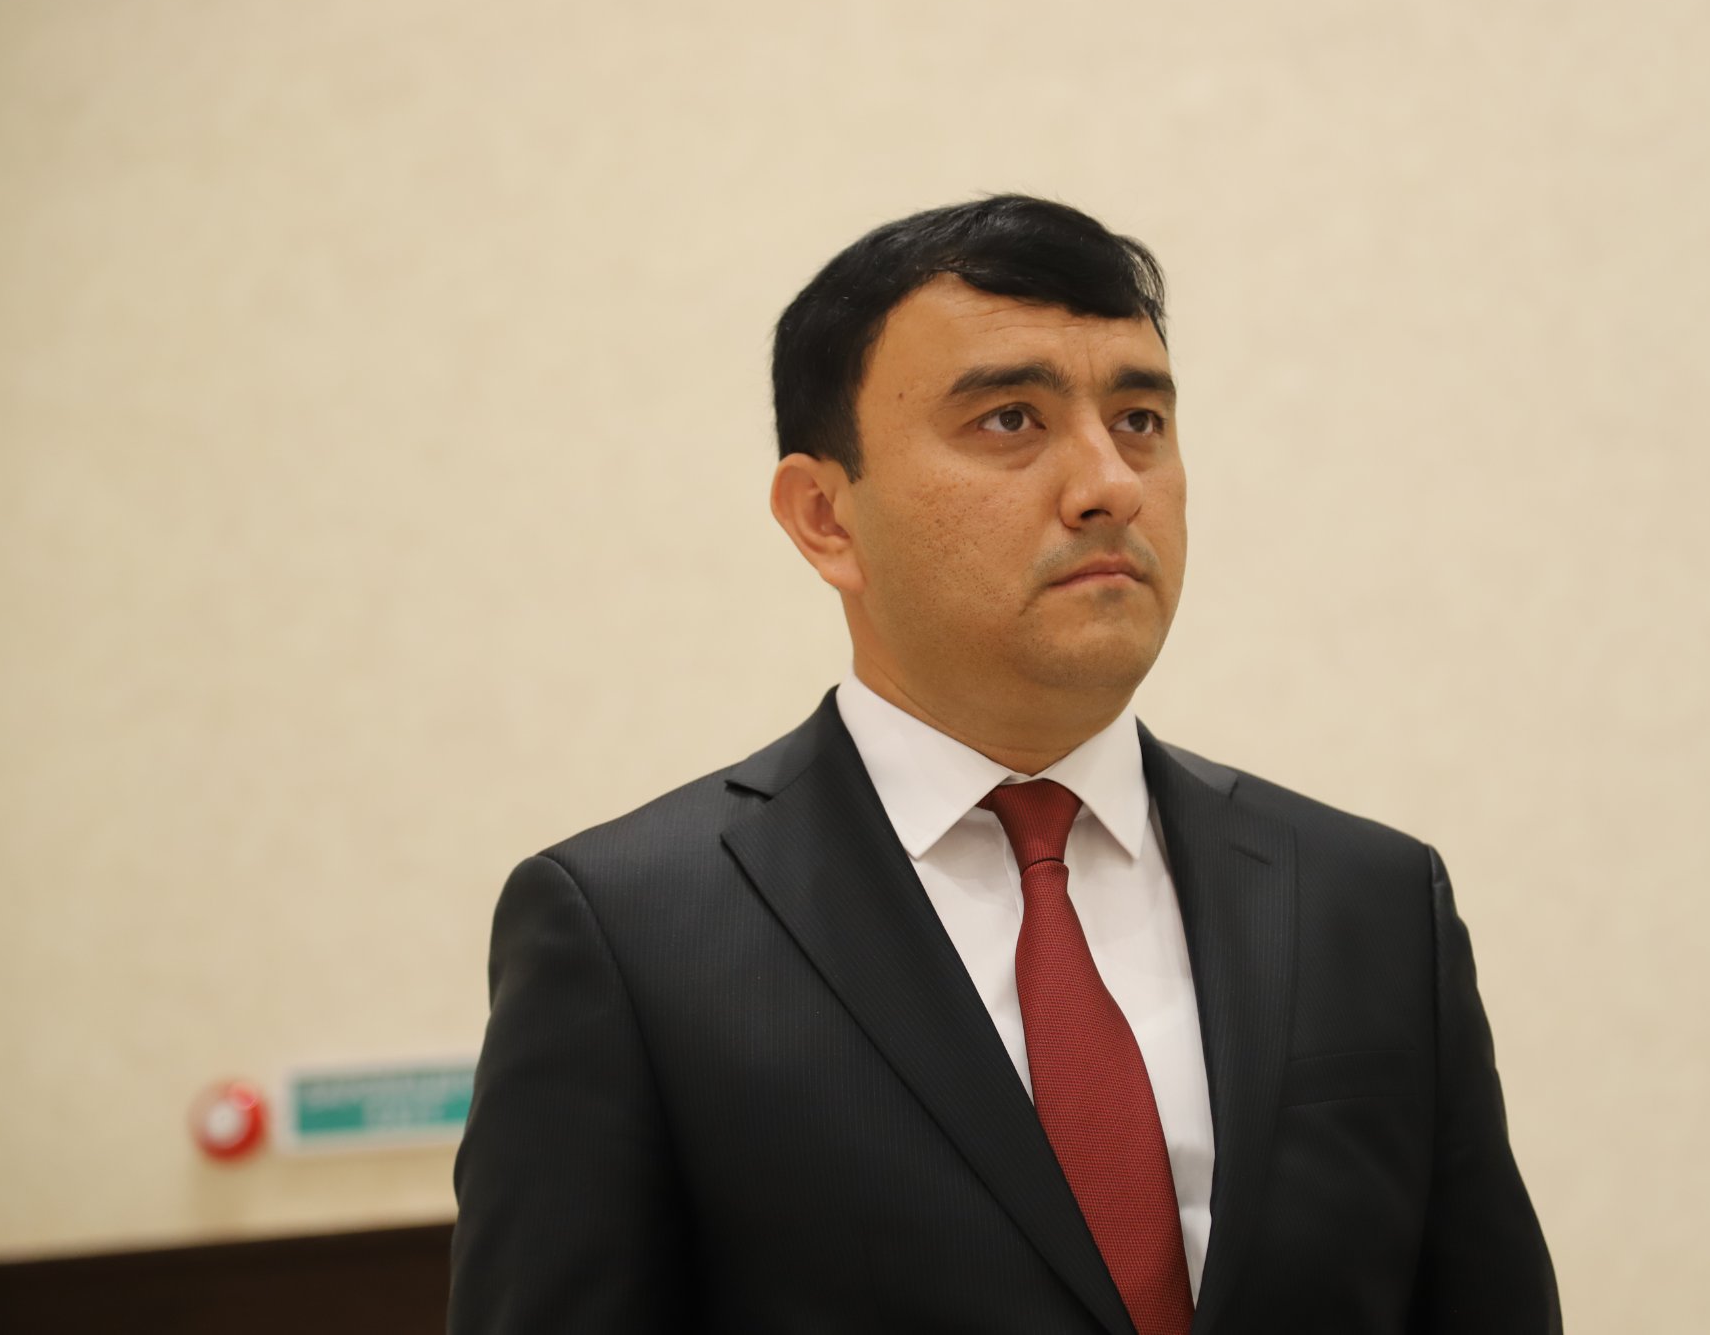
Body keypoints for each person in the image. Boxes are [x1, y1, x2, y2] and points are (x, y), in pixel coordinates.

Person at [448, 195, 1560, 1333]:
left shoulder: (1368, 901)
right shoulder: (634, 938)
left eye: (1139, 419)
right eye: (1010, 420)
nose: (1110, 484)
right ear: (825, 516)